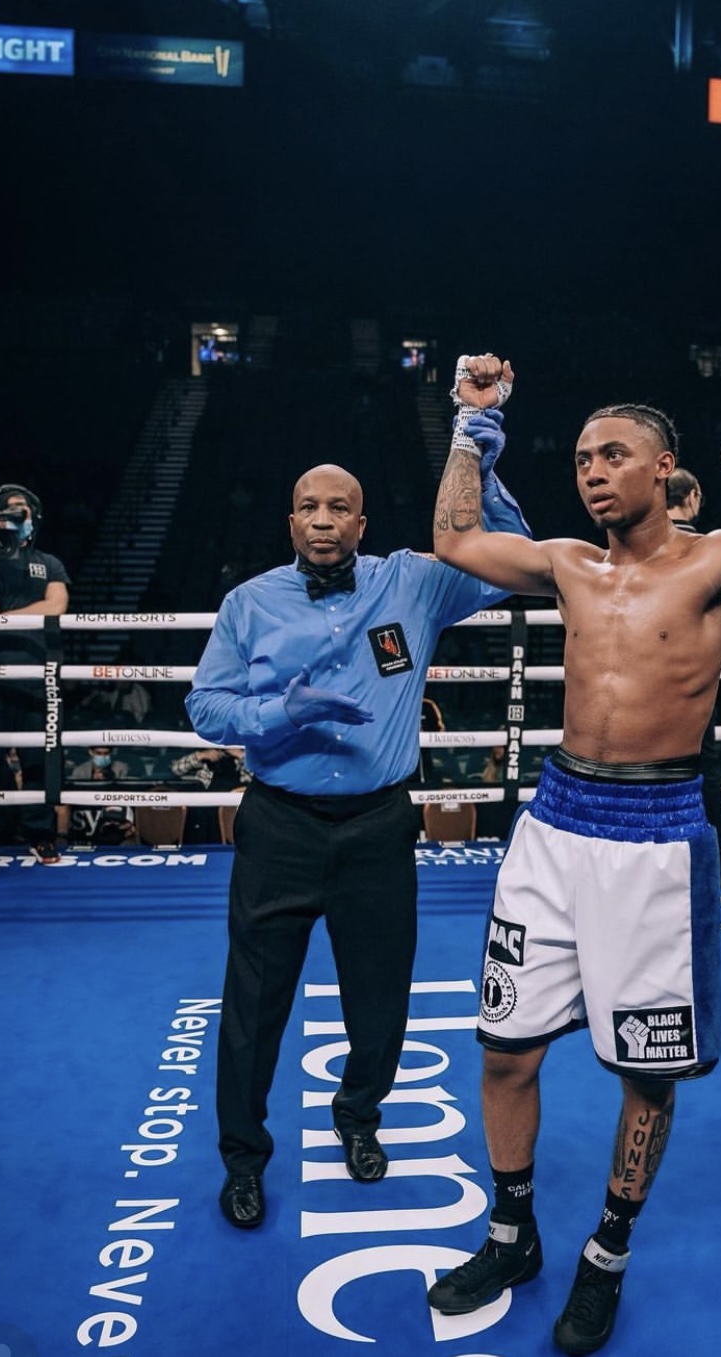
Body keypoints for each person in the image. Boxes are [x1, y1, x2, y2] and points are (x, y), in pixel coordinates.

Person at [426, 360, 721, 1356]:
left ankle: (607, 1253)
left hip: (656, 835)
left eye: (614, 454)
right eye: (583, 457)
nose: (592, 472)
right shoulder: (566, 563)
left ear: (661, 466)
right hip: (552, 824)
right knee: (504, 1049)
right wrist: (472, 421)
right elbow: (454, 540)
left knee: (647, 1070)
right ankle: (511, 1231)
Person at [183, 358, 531, 1231]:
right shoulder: (249, 602)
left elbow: (511, 557)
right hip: (279, 823)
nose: (325, 519)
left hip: (378, 823)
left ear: (361, 520)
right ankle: (243, 1158)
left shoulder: (409, 579)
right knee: (254, 1002)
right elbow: (203, 705)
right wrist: (277, 712)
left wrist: (478, 446)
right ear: (291, 518)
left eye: (340, 506)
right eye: (310, 506)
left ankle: (360, 1117)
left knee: (380, 995)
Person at [0, 484, 70, 867]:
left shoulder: (49, 562)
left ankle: (41, 836)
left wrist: (1, 621)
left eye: (22, 509)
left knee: (39, 758)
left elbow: (55, 605)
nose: (15, 515)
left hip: (37, 671)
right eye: (8, 510)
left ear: (33, 519)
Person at [667, 467, 721, 885]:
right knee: (704, 770)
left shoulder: (628, 550)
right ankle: (711, 870)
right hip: (698, 685)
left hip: (636, 688)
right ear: (694, 496)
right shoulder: (715, 554)